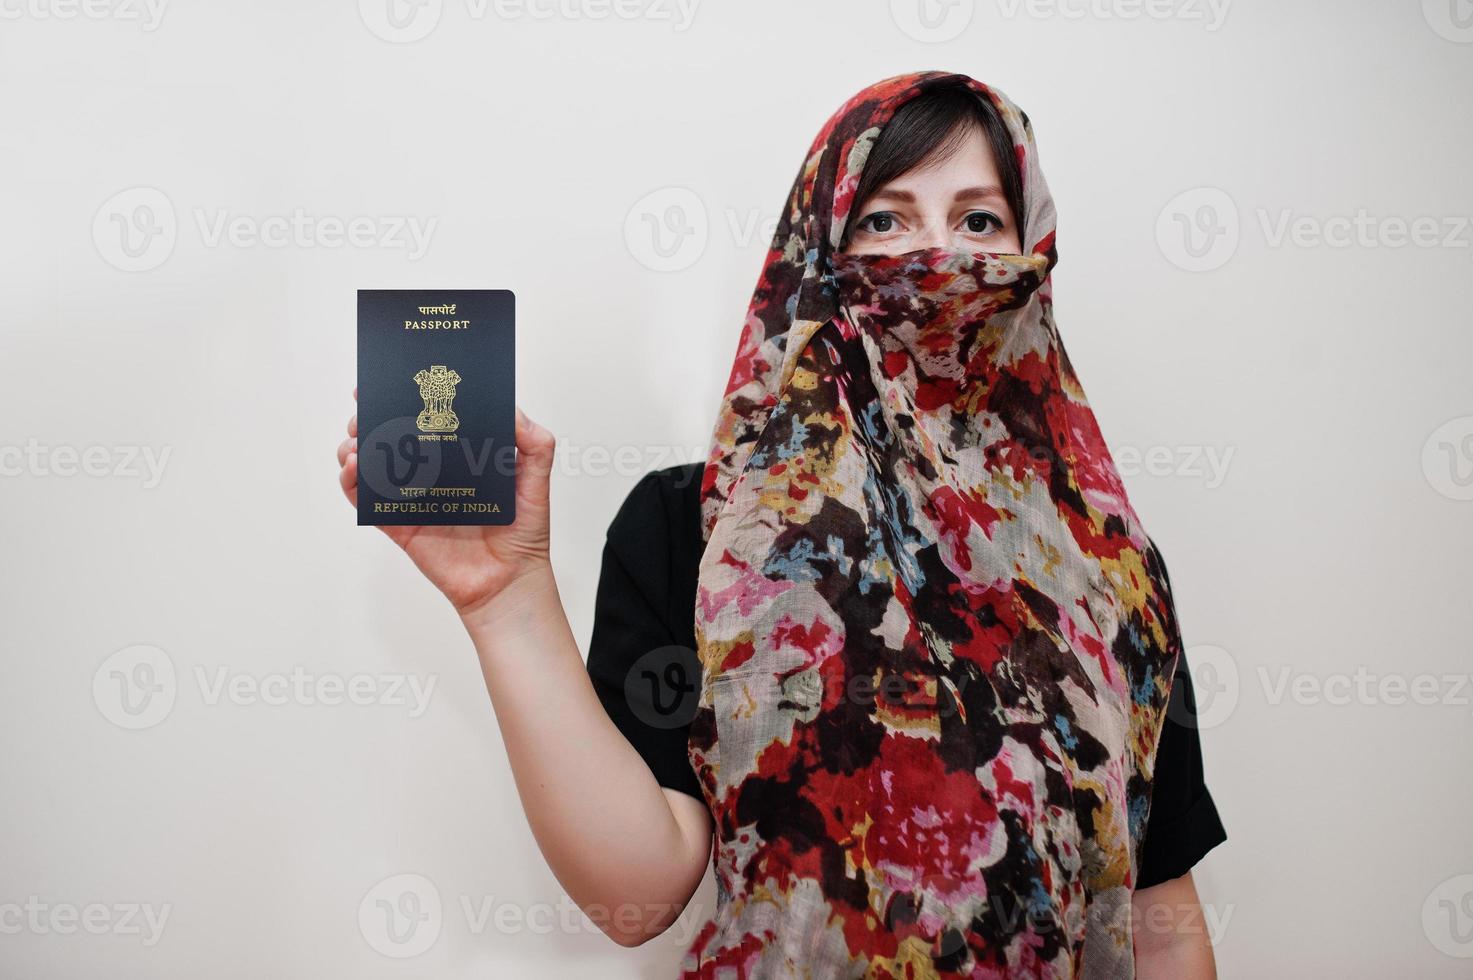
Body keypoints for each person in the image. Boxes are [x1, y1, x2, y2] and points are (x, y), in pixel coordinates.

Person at [337, 71, 1226, 979]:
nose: (934, 255)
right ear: (817, 254)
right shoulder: (694, 527)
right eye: (883, 220)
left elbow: (1158, 911)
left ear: (1030, 254)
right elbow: (635, 897)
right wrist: (505, 600)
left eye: (978, 222)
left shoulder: (1106, 565)